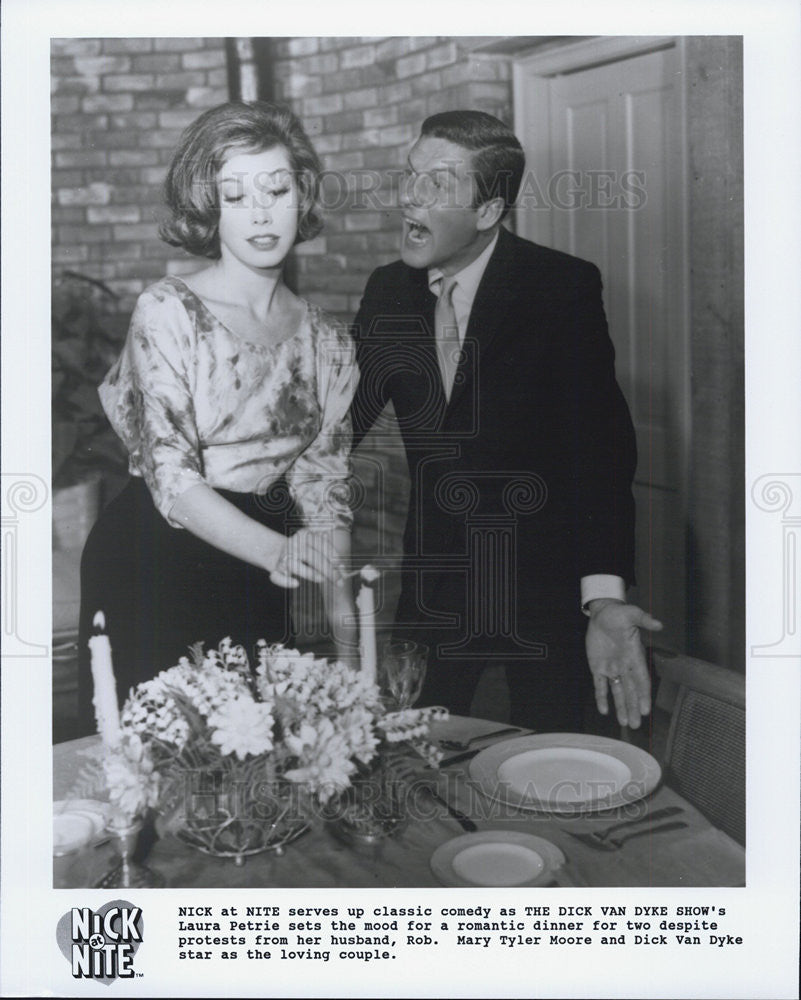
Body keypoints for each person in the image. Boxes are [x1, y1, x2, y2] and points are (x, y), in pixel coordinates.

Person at [351, 110, 662, 733]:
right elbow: (340, 423)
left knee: (556, 769)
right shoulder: (389, 291)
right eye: (411, 175)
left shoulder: (561, 287)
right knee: (418, 758)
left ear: (488, 212)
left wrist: (603, 599)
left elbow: (598, 450)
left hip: (547, 589)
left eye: (438, 183)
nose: (409, 195)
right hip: (434, 589)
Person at [77, 101, 359, 734]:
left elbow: (324, 490)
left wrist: (347, 634)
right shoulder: (167, 311)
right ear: (209, 208)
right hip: (154, 555)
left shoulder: (331, 345)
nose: (260, 212)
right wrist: (277, 554)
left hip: (263, 563)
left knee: (255, 762)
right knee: (156, 766)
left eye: (277, 189)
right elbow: (173, 482)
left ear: (301, 195)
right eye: (235, 195)